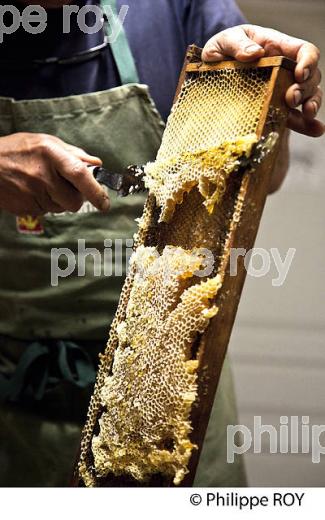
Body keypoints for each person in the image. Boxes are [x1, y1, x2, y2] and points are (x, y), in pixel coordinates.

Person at [0, 0, 323, 487]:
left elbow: (262, 178)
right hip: (16, 418)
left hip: (177, 388)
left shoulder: (176, 7)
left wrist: (264, 95)